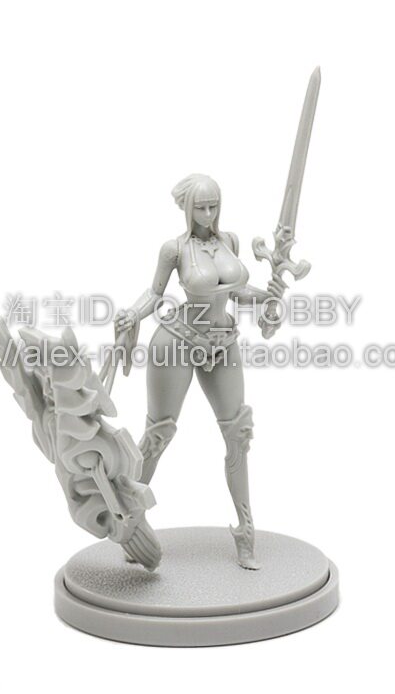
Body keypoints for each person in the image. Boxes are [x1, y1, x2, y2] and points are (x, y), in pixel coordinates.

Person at [115, 173, 283, 569]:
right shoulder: (174, 249)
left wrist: (266, 297)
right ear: (188, 209)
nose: (208, 213)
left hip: (222, 342)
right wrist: (132, 314)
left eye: (214, 206)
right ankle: (129, 519)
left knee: (238, 435)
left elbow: (236, 292)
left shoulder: (230, 242)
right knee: (158, 434)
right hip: (177, 339)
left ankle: (245, 534)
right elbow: (155, 293)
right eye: (201, 207)